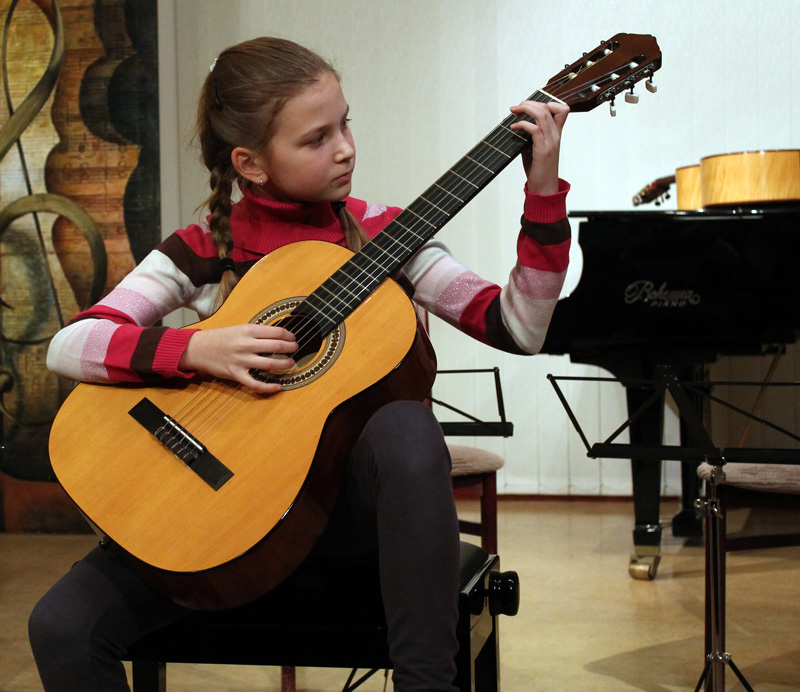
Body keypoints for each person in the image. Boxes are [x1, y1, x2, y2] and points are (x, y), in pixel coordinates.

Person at [29, 36, 570, 692]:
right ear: (250, 163)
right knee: (60, 627)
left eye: (345, 124)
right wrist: (196, 348)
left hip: (347, 522)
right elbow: (71, 345)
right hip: (223, 513)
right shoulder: (201, 248)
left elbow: (519, 327)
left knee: (405, 428)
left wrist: (544, 193)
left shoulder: (389, 234)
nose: (345, 148)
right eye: (316, 138)